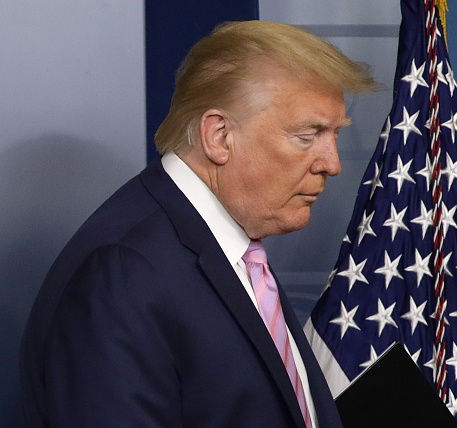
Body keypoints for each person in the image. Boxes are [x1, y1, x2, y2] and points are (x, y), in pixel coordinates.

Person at [20, 20, 374, 427]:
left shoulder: (228, 242)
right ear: (219, 136)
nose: (333, 163)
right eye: (308, 135)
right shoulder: (124, 272)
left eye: (334, 135)